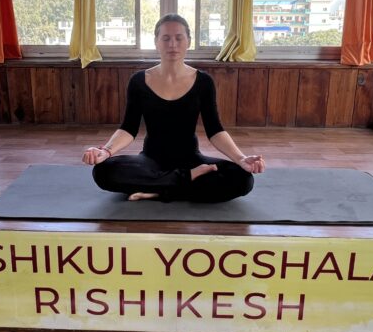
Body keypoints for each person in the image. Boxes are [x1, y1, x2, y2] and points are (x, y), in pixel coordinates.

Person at [82, 14, 264, 202]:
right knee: (103, 171)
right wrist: (106, 151)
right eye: (166, 38)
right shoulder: (138, 81)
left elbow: (215, 130)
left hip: (192, 159)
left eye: (179, 38)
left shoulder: (203, 82)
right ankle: (186, 181)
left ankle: (159, 189)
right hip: (150, 161)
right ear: (156, 42)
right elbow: (128, 128)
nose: (172, 44)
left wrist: (241, 159)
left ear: (188, 41)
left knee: (243, 179)